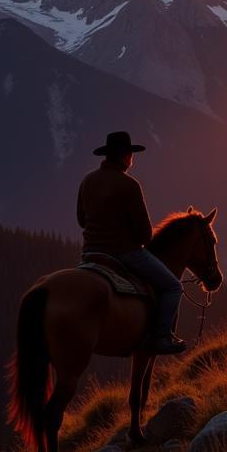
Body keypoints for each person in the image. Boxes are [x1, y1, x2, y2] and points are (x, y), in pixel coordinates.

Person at [77, 131, 187, 355]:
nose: (131, 159)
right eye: (131, 154)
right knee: (173, 286)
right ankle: (160, 337)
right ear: (126, 156)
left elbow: (81, 220)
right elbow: (145, 235)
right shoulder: (130, 185)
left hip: (90, 255)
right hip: (124, 253)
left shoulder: (87, 180)